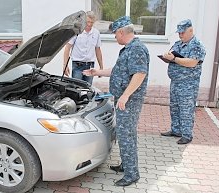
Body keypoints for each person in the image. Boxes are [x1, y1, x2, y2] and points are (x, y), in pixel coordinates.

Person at [83, 16, 149, 186]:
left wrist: (126, 95)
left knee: (126, 135)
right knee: (124, 134)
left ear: (121, 32)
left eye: (115, 34)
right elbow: (118, 71)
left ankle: (132, 175)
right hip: (123, 100)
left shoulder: (136, 49)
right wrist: (97, 72)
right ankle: (126, 165)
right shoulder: (128, 49)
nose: (114, 37)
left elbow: (140, 74)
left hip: (129, 101)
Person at [160, 19, 206, 144]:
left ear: (190, 30)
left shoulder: (197, 45)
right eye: (179, 33)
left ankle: (187, 134)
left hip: (188, 84)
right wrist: (167, 56)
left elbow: (192, 62)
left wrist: (174, 59)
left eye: (182, 33)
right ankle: (176, 130)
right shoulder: (177, 44)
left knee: (186, 110)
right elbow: (171, 54)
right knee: (174, 107)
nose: (180, 35)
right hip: (175, 82)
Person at [62, 11, 103, 84]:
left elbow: (98, 50)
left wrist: (101, 67)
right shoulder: (76, 31)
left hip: (90, 66)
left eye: (92, 22)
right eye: (88, 22)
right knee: (77, 89)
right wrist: (65, 65)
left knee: (88, 90)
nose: (89, 24)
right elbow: (67, 47)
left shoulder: (96, 33)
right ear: (84, 21)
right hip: (77, 66)